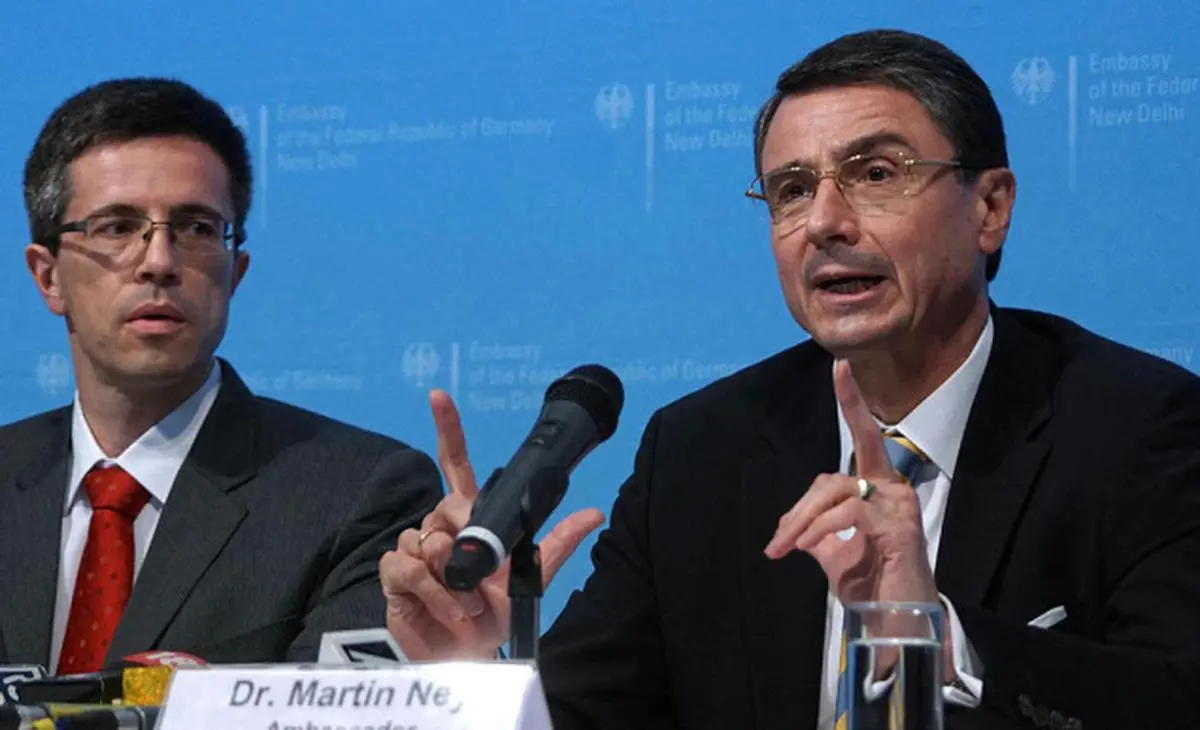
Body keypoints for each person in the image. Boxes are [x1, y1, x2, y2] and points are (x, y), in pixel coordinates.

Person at [380, 29, 1200, 730]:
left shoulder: (1138, 427)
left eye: (876, 174)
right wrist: (476, 671)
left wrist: (937, 638)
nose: (824, 223)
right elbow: (592, 714)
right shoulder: (703, 450)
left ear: (989, 208)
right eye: (792, 190)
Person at [0, 77, 442, 671]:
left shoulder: (359, 497)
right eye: (116, 227)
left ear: (235, 273)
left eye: (197, 229)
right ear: (48, 276)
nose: (159, 261)